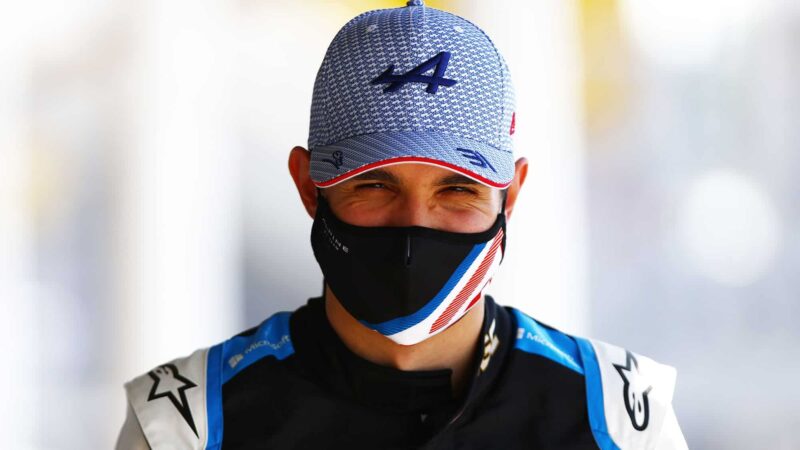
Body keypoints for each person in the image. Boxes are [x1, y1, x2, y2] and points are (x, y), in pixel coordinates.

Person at [116, 1, 687, 448]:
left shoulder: (618, 421)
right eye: (374, 184)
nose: (414, 225)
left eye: (457, 189)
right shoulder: (188, 426)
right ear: (309, 186)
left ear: (510, 196)